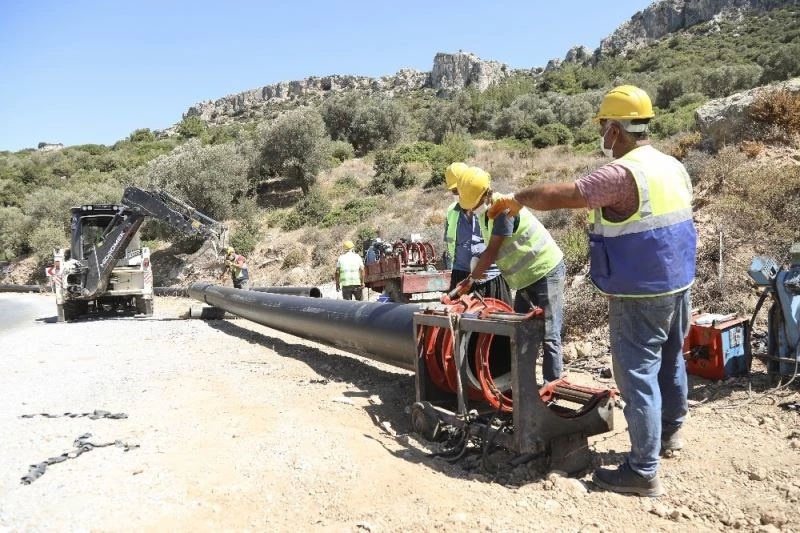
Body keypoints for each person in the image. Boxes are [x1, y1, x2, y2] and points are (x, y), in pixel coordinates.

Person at [488, 85, 697, 498]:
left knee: (637, 376)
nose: (602, 133)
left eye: (604, 125)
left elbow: (565, 195)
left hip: (640, 292)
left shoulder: (622, 173)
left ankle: (642, 470)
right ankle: (670, 434)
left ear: (616, 129)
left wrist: (516, 199)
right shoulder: (671, 165)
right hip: (679, 283)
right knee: (671, 360)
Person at [454, 165, 565, 384]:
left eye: (474, 204)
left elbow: (492, 252)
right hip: (524, 279)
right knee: (519, 332)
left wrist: (470, 280)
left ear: (486, 194)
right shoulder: (486, 214)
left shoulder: (503, 210)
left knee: (549, 333)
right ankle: (522, 386)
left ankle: (552, 388)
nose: (471, 209)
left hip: (545, 271)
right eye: (469, 206)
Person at [443, 162, 512, 305]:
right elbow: (450, 243)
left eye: (460, 190)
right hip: (461, 276)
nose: (459, 195)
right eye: (455, 191)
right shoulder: (451, 212)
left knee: (496, 316)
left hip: (490, 276)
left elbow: (496, 246)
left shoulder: (487, 208)